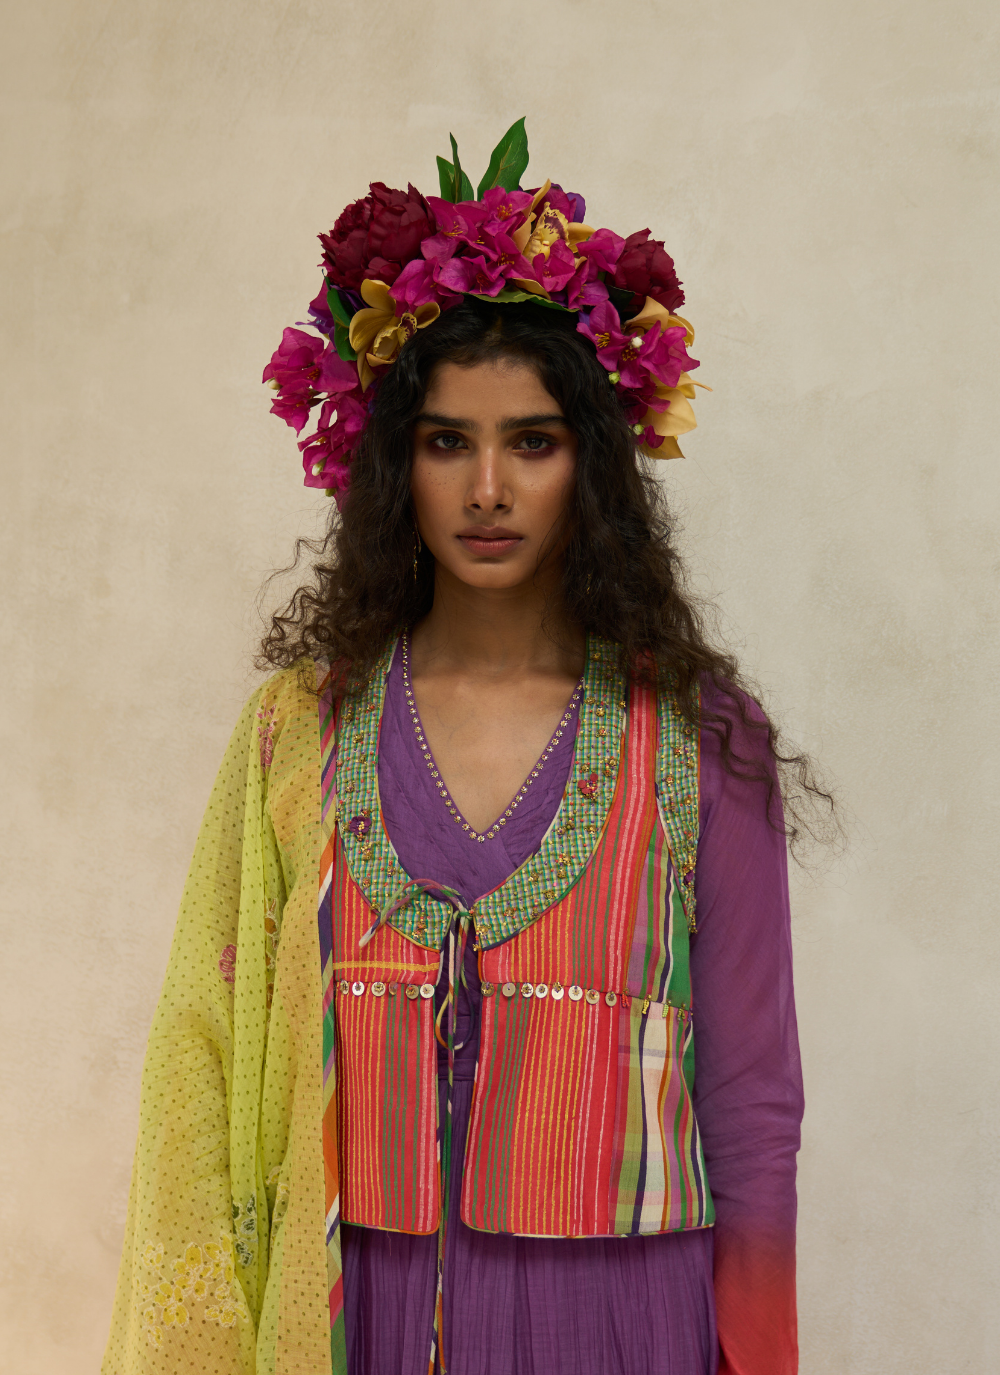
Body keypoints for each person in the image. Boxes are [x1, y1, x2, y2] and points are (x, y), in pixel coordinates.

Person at [103, 121, 820, 1375]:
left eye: (532, 442)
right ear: (396, 464)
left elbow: (752, 1105)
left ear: (592, 465)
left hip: (624, 1327)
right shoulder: (298, 735)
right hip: (350, 1319)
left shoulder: (700, 741)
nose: (488, 488)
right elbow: (205, 1054)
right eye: (447, 442)